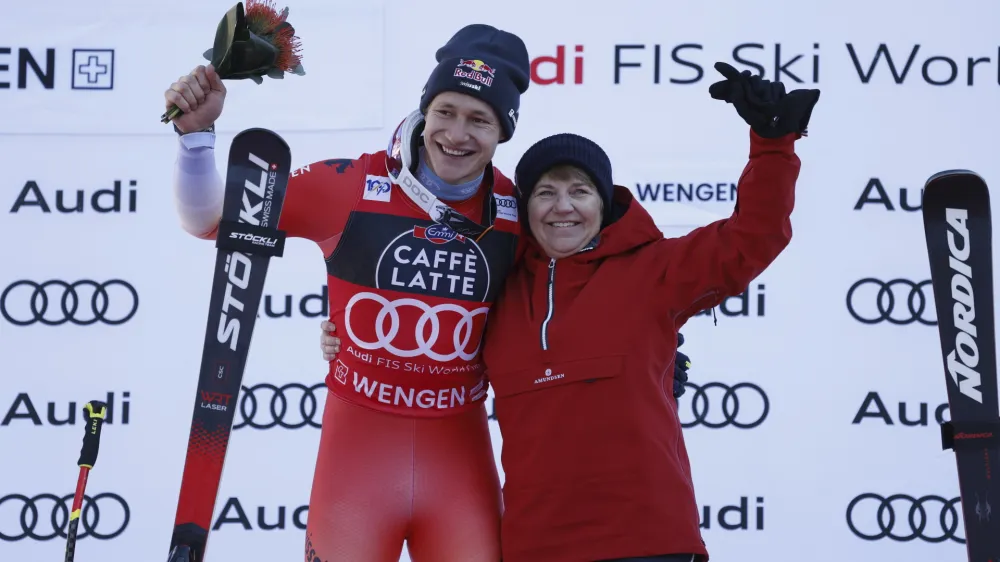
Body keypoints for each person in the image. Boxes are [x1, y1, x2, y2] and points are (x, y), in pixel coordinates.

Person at [318, 62, 820, 562]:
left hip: (648, 543)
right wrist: (346, 338)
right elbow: (428, 325)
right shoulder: (500, 286)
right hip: (536, 546)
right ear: (525, 208)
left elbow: (752, 238)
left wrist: (773, 145)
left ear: (603, 204)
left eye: (579, 191)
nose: (563, 207)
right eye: (544, 192)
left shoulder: (654, 270)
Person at [166, 23, 533, 562]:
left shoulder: (517, 211)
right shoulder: (353, 186)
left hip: (460, 462)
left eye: (480, 119)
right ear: (425, 111)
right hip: (357, 462)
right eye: (445, 111)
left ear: (504, 132)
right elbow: (210, 222)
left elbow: (582, 283)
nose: (457, 133)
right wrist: (195, 139)